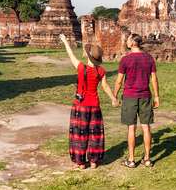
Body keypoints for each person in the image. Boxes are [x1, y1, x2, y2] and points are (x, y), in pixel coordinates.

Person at [59, 33, 117, 169]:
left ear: (88, 56)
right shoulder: (101, 71)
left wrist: (65, 42)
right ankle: (93, 161)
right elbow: (105, 86)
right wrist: (113, 98)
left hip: (80, 106)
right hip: (95, 106)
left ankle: (81, 162)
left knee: (80, 133)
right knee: (94, 134)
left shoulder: (81, 68)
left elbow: (71, 55)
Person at [112, 33, 160, 168]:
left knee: (131, 128)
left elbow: (119, 81)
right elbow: (154, 79)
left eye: (128, 40)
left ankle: (132, 160)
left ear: (133, 42)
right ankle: (147, 159)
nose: (126, 41)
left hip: (130, 96)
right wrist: (156, 96)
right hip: (145, 96)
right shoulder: (149, 58)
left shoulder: (126, 59)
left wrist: (114, 96)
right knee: (146, 127)